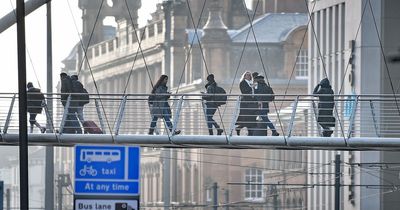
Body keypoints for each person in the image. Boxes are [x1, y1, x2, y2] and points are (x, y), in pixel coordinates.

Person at [235, 71, 258, 136]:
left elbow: (255, 92)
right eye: (247, 75)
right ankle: (239, 128)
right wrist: (251, 89)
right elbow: (244, 91)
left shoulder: (252, 83)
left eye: (249, 75)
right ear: (244, 76)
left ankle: (249, 134)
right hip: (246, 103)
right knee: (246, 118)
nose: (248, 76)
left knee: (251, 119)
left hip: (252, 103)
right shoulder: (243, 83)